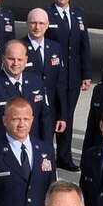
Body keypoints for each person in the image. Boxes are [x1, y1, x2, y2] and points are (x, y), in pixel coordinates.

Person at [0, 39, 54, 150]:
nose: (16, 63)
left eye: (20, 59)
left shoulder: (36, 82)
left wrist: (47, 149)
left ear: (26, 60)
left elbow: (45, 120)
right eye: (11, 59)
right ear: (3, 59)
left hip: (32, 149)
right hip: (3, 151)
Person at [46, 0, 91, 167]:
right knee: (50, 115)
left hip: (72, 77)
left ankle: (64, 157)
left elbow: (84, 46)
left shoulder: (78, 15)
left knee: (67, 117)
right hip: (53, 76)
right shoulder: (46, 15)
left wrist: (86, 74)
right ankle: (46, 155)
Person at [19, 9, 70, 161]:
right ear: (27, 24)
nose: (37, 27)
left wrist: (62, 115)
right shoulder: (19, 47)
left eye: (41, 23)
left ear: (47, 25)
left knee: (46, 150)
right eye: (34, 23)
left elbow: (60, 83)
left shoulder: (55, 48)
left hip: (49, 111)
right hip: (27, 111)